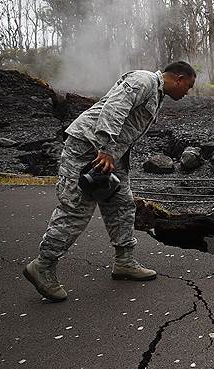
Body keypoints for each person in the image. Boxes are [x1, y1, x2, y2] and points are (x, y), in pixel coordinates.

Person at [23, 61, 196, 302]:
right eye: (188, 86)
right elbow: (114, 108)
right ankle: (43, 265)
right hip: (88, 149)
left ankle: (124, 262)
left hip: (111, 157)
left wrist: (114, 156)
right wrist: (105, 148)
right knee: (75, 210)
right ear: (178, 78)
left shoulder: (156, 95)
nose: (187, 92)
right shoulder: (143, 81)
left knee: (123, 205)